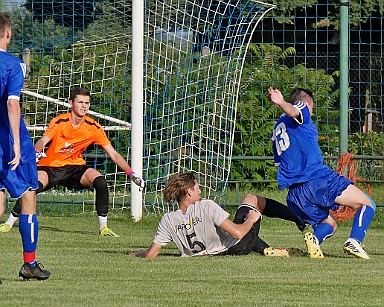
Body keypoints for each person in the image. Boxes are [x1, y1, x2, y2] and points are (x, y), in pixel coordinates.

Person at [0, 87, 145, 237]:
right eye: (80, 102)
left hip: (75, 168)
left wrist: (131, 173)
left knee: (100, 181)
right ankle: (9, 223)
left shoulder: (94, 127)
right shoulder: (60, 121)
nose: (84, 106)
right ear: (71, 103)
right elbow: (42, 141)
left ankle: (104, 228)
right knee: (31, 188)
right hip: (51, 166)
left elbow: (113, 154)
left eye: (87, 103)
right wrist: (36, 152)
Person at [268, 87, 376, 259]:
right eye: (312, 108)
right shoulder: (301, 108)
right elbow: (295, 110)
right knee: (367, 204)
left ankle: (314, 241)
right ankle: (355, 241)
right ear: (307, 103)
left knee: (330, 224)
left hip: (296, 193)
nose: (311, 112)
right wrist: (281, 102)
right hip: (317, 179)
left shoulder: (278, 127)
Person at [129, 172, 304, 258]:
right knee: (250, 199)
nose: (200, 190)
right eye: (197, 187)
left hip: (208, 253)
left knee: (234, 223)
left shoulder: (168, 219)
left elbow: (151, 254)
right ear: (189, 192)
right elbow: (237, 233)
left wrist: (138, 253)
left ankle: (265, 249)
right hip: (236, 247)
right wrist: (252, 218)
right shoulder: (206, 206)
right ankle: (299, 218)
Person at [0, 12, 50, 280]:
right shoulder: (14, 64)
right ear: (8, 33)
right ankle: (29, 264)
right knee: (28, 196)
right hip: (8, 144)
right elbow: (11, 102)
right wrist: (18, 145)